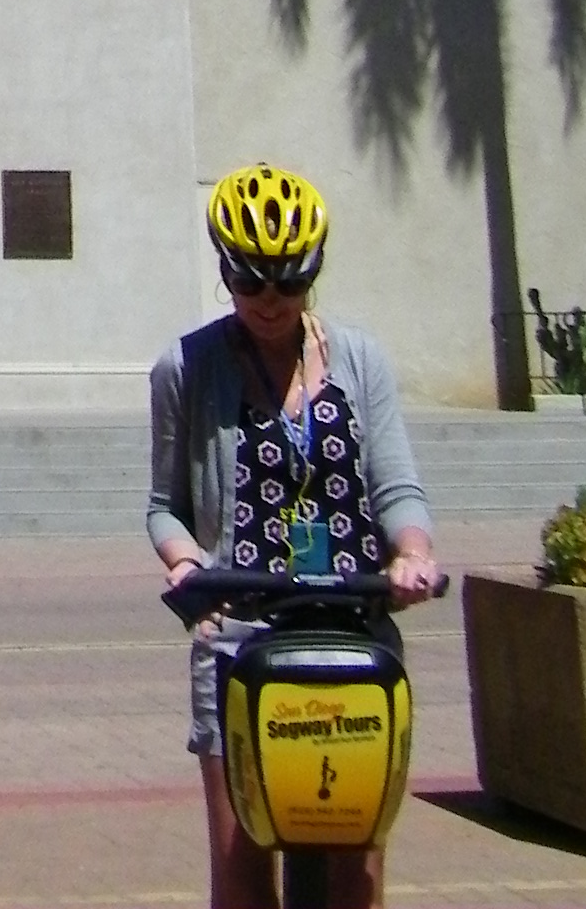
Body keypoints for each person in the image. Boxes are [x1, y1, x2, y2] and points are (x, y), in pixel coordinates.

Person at [147, 166, 440, 909]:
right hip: (240, 635)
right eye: (250, 281)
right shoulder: (186, 368)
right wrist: (187, 562)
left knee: (357, 868)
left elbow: (397, 485)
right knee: (242, 867)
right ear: (225, 273)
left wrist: (412, 553)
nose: (270, 300)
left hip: (354, 628)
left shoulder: (361, 360)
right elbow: (164, 507)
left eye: (290, 280)